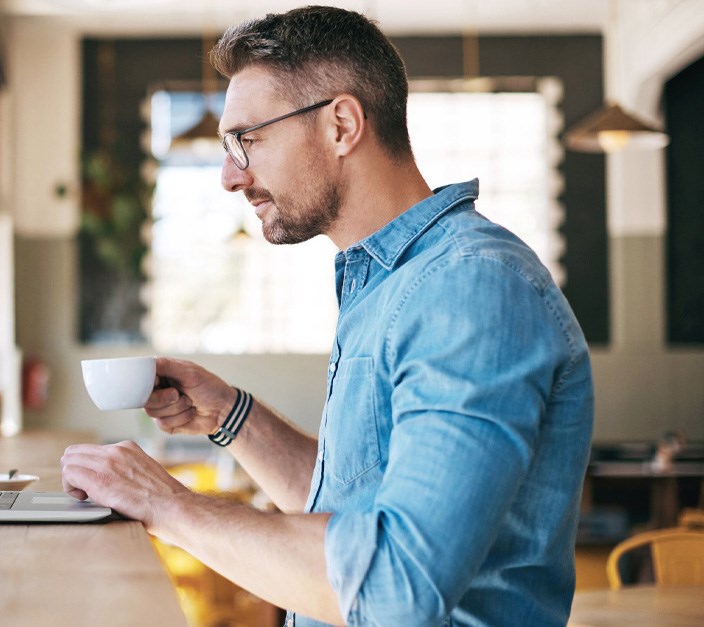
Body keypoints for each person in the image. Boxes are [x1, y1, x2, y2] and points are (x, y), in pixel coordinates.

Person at [60, 6, 594, 627]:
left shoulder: (469, 286)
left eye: (246, 140)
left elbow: (400, 584)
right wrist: (232, 416)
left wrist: (167, 505)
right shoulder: (389, 280)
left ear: (341, 125)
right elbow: (355, 504)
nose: (230, 176)